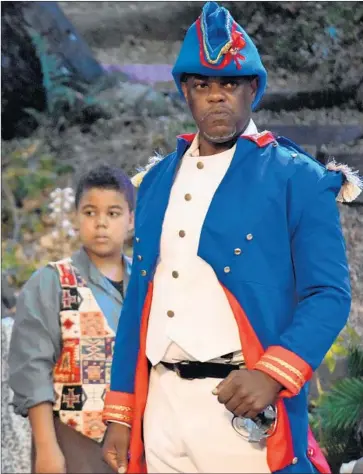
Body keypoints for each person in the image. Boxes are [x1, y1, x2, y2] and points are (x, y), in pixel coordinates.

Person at [101, 2, 362, 474]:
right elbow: (139, 298)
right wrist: (121, 412)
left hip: (244, 413)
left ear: (253, 90)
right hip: (160, 409)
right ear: (186, 92)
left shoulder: (298, 178)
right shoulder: (156, 180)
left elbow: (329, 295)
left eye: (230, 84)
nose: (216, 96)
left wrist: (272, 373)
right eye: (203, 85)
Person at [9, 165, 135, 474]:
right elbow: (32, 369)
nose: (101, 223)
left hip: (140, 439)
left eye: (114, 213)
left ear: (132, 220)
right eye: (90, 213)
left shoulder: (147, 283)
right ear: (76, 218)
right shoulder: (52, 281)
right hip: (73, 437)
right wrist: (47, 448)